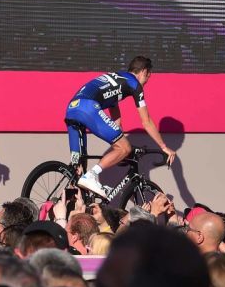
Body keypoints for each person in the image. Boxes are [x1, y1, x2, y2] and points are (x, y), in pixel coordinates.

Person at [66, 56, 176, 200]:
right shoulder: (134, 83)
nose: (147, 82)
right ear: (144, 71)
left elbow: (116, 122)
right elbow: (146, 121)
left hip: (72, 109)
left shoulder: (117, 81)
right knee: (124, 147)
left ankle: (67, 202)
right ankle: (91, 175)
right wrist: (163, 147)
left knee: (78, 170)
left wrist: (121, 149)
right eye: (148, 77)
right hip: (87, 107)